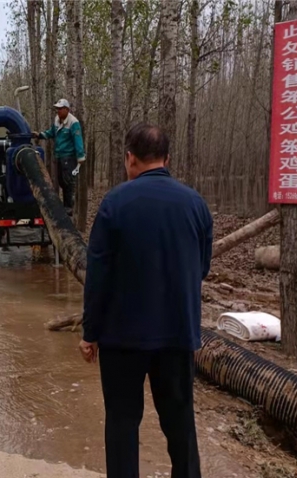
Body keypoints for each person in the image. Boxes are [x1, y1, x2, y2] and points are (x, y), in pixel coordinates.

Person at [79, 123, 213, 478]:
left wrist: (90, 333)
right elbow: (201, 268)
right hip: (178, 334)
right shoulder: (195, 204)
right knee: (180, 422)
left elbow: (98, 276)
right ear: (167, 159)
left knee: (122, 422)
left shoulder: (115, 204)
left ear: (130, 158)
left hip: (121, 337)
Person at [32, 99, 85, 215]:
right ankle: (65, 204)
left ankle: (69, 206)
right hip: (59, 156)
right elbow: (51, 132)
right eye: (57, 109)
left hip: (69, 156)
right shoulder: (57, 120)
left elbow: (78, 140)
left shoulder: (73, 123)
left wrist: (80, 156)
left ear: (67, 109)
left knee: (68, 181)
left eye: (60, 109)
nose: (58, 111)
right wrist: (40, 135)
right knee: (61, 181)